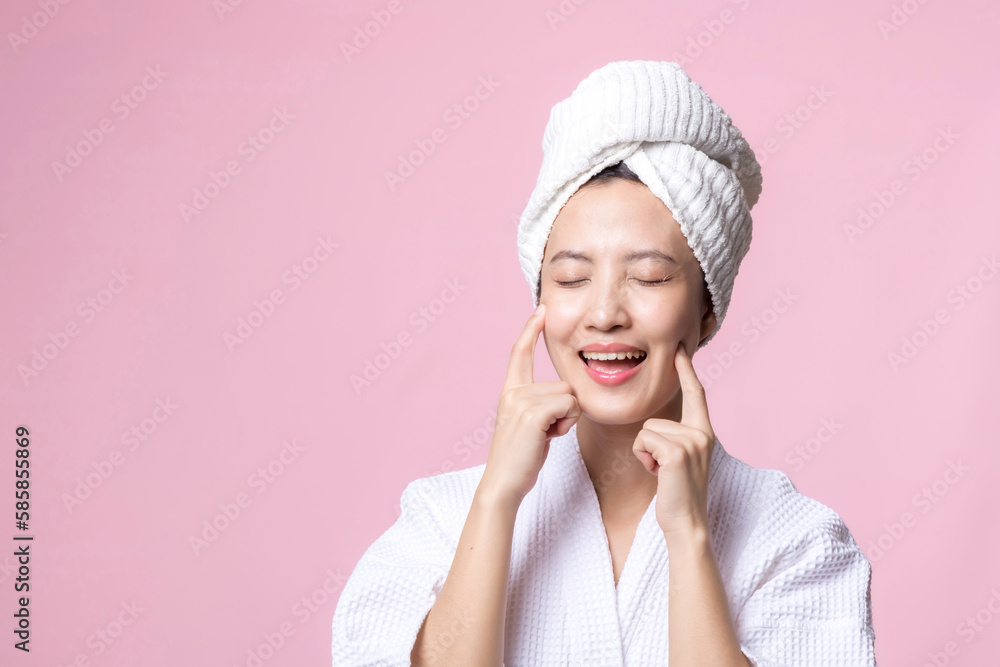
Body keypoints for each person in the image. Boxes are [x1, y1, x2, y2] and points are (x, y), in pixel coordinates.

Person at [331, 60, 876, 666]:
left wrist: (690, 539)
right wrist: (495, 503)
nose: (604, 313)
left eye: (648, 276)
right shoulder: (440, 520)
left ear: (707, 312)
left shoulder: (796, 540)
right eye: (571, 277)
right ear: (541, 301)